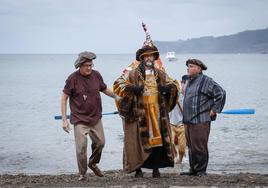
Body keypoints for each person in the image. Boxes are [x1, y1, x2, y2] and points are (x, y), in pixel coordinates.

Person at [113, 23, 178, 178]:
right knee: (137, 142)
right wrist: (131, 89)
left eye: (151, 56)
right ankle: (138, 169)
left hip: (156, 113)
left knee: (158, 142)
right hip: (138, 112)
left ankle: (156, 168)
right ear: (142, 58)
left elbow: (175, 83)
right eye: (146, 56)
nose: (149, 58)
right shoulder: (133, 73)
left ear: (155, 58)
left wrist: (168, 88)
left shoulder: (160, 74)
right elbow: (117, 84)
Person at [61, 51, 118, 181]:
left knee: (101, 143)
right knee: (81, 148)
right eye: (86, 65)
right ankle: (83, 173)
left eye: (91, 65)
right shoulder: (72, 79)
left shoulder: (96, 75)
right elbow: (64, 98)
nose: (89, 68)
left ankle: (92, 163)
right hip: (80, 119)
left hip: (95, 118)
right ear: (79, 66)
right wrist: (65, 120)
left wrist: (117, 96)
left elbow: (104, 89)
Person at [181, 59, 226, 177]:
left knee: (199, 146)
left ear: (199, 69)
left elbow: (221, 93)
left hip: (201, 120)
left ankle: (201, 170)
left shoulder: (206, 81)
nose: (188, 68)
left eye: (191, 66)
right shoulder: (189, 81)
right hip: (188, 120)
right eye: (188, 66)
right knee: (191, 147)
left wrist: (214, 109)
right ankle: (193, 169)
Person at [169, 75, 188, 164]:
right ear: (181, 84)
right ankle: (175, 155)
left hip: (182, 125)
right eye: (183, 83)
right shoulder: (176, 94)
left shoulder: (189, 98)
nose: (184, 86)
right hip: (171, 123)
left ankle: (180, 159)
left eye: (186, 84)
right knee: (170, 143)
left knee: (182, 147)